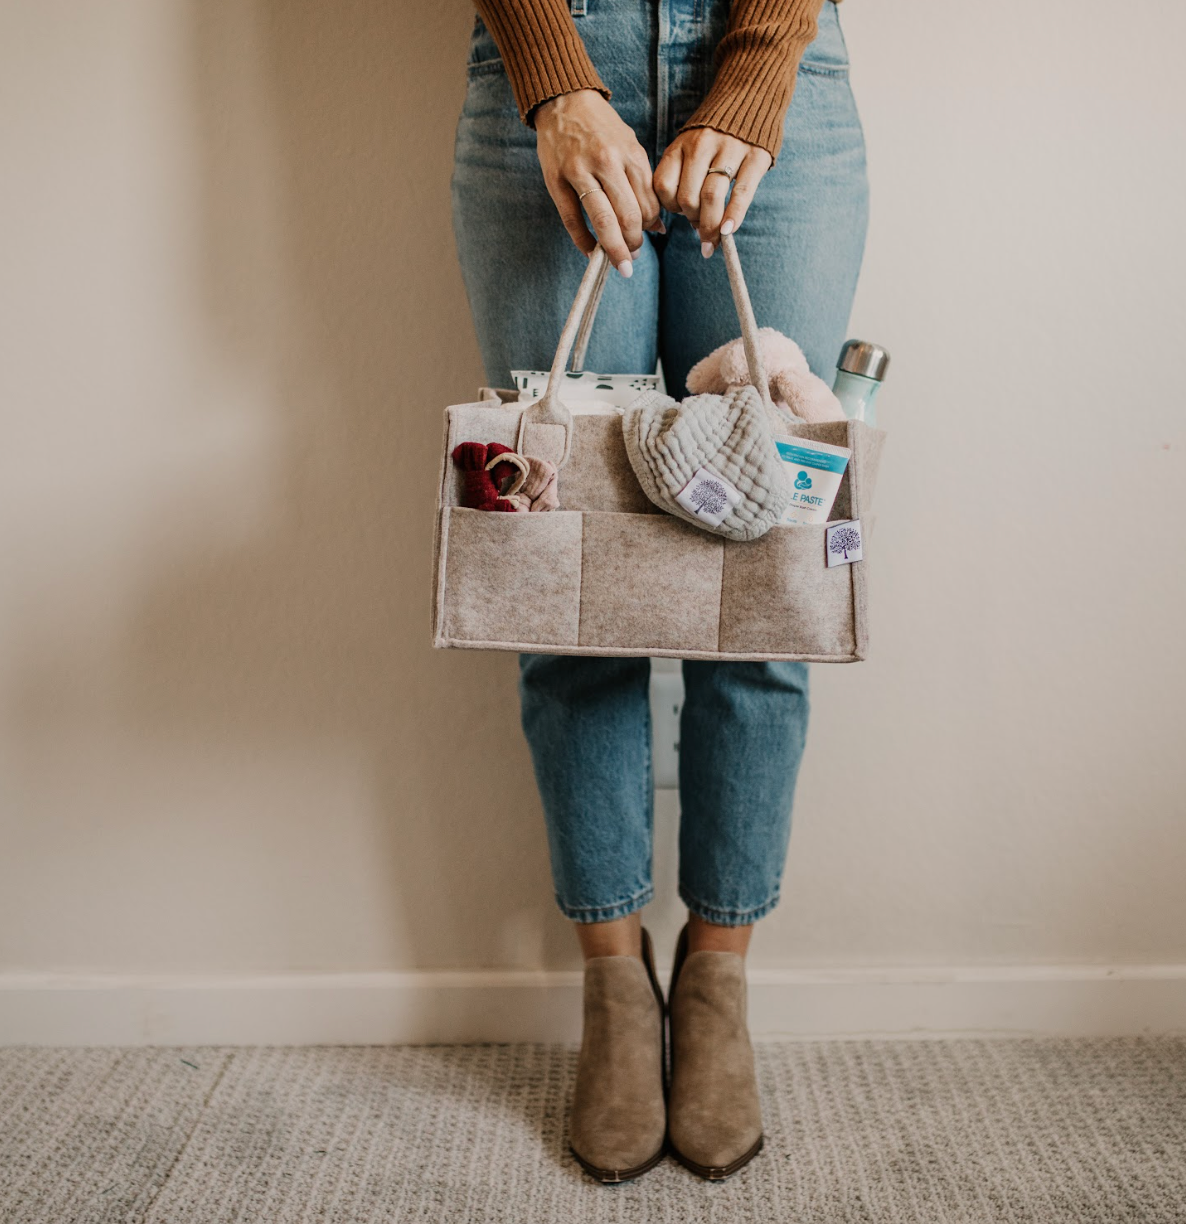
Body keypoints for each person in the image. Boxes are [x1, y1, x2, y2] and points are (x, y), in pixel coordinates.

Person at [450, 0, 868, 1183]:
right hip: (547, 60)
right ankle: (613, 985)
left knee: (766, 579)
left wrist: (758, 65)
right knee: (565, 578)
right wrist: (551, 72)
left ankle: (719, 976)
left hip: (779, 66)